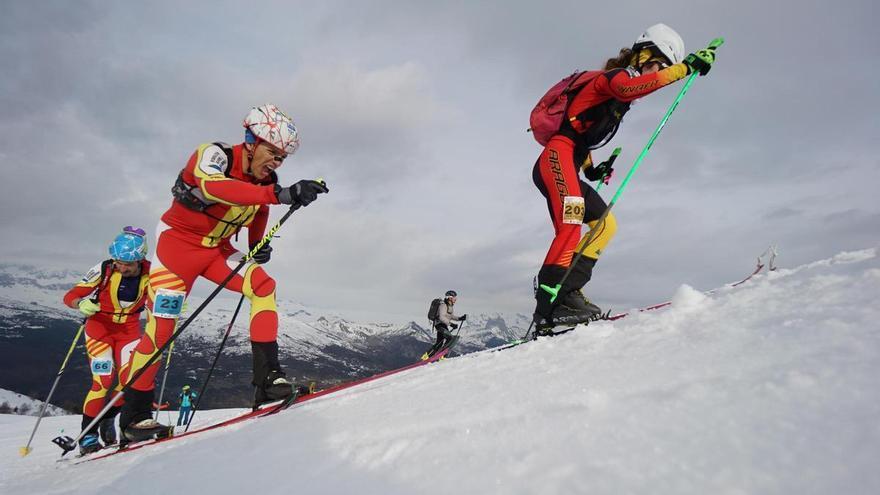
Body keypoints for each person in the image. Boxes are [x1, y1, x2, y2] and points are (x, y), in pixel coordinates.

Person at [119, 104, 329, 442]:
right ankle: (134, 416)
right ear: (250, 141)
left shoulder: (267, 182)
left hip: (217, 251)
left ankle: (267, 382)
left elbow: (258, 210)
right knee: (160, 332)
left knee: (263, 285)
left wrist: (257, 245)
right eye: (272, 153)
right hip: (176, 250)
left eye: (282, 158)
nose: (276, 163)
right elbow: (217, 188)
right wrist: (280, 193)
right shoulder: (214, 155)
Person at [531, 24, 716, 333]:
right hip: (555, 158)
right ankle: (547, 308)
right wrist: (685, 68)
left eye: (663, 67)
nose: (657, 71)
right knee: (570, 228)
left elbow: (580, 134)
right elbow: (631, 88)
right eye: (657, 63)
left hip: (569, 159)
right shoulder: (616, 79)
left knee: (605, 225)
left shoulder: (618, 93)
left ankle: (567, 292)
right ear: (643, 53)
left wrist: (592, 170)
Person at [62, 227, 151, 454]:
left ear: (140, 260)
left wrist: (172, 301)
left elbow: (162, 293)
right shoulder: (104, 269)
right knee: (103, 381)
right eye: (119, 262)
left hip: (129, 331)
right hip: (99, 329)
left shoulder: (152, 271)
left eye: (128, 264)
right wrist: (80, 304)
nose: (122, 267)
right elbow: (71, 296)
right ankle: (87, 436)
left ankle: (107, 418)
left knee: (129, 382)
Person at [422, 290, 466, 359]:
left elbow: (451, 316)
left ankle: (427, 356)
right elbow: (441, 317)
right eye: (454, 298)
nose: (455, 299)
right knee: (450, 338)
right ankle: (442, 355)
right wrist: (451, 324)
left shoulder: (450, 306)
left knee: (439, 342)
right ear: (450, 298)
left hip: (443, 325)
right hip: (439, 325)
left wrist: (460, 318)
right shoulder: (443, 305)